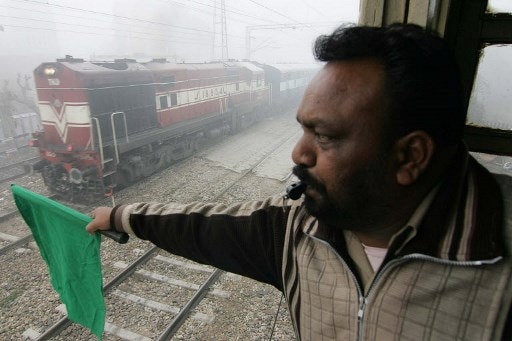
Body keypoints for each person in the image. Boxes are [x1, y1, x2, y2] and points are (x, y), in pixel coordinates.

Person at [86, 23, 512, 340]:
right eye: (303, 130)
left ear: (410, 156)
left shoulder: (498, 258)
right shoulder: (297, 231)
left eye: (323, 136)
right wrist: (122, 215)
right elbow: (202, 225)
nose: (298, 154)